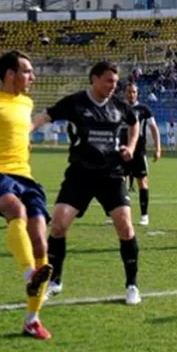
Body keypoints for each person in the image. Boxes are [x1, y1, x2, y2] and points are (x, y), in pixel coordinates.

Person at [34, 61, 143, 305]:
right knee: (59, 224)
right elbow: (46, 116)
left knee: (125, 226)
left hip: (111, 174)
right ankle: (55, 280)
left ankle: (132, 285)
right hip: (80, 174)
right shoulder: (75, 102)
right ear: (93, 79)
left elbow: (134, 122)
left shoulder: (119, 105)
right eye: (108, 81)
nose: (113, 86)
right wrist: (25, 130)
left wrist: (131, 147)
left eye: (115, 82)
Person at [0, 50, 54, 339]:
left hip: (26, 176)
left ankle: (32, 319)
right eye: (27, 72)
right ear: (10, 74)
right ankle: (28, 276)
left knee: (40, 240)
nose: (32, 77)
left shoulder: (27, 103)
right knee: (16, 211)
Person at [123, 83, 161, 226]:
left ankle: (144, 215)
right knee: (120, 182)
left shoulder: (144, 109)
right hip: (121, 150)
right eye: (128, 92)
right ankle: (121, 214)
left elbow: (154, 128)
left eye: (133, 92)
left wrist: (157, 148)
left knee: (142, 182)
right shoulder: (119, 107)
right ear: (125, 93)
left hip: (138, 151)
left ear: (137, 93)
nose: (131, 94)